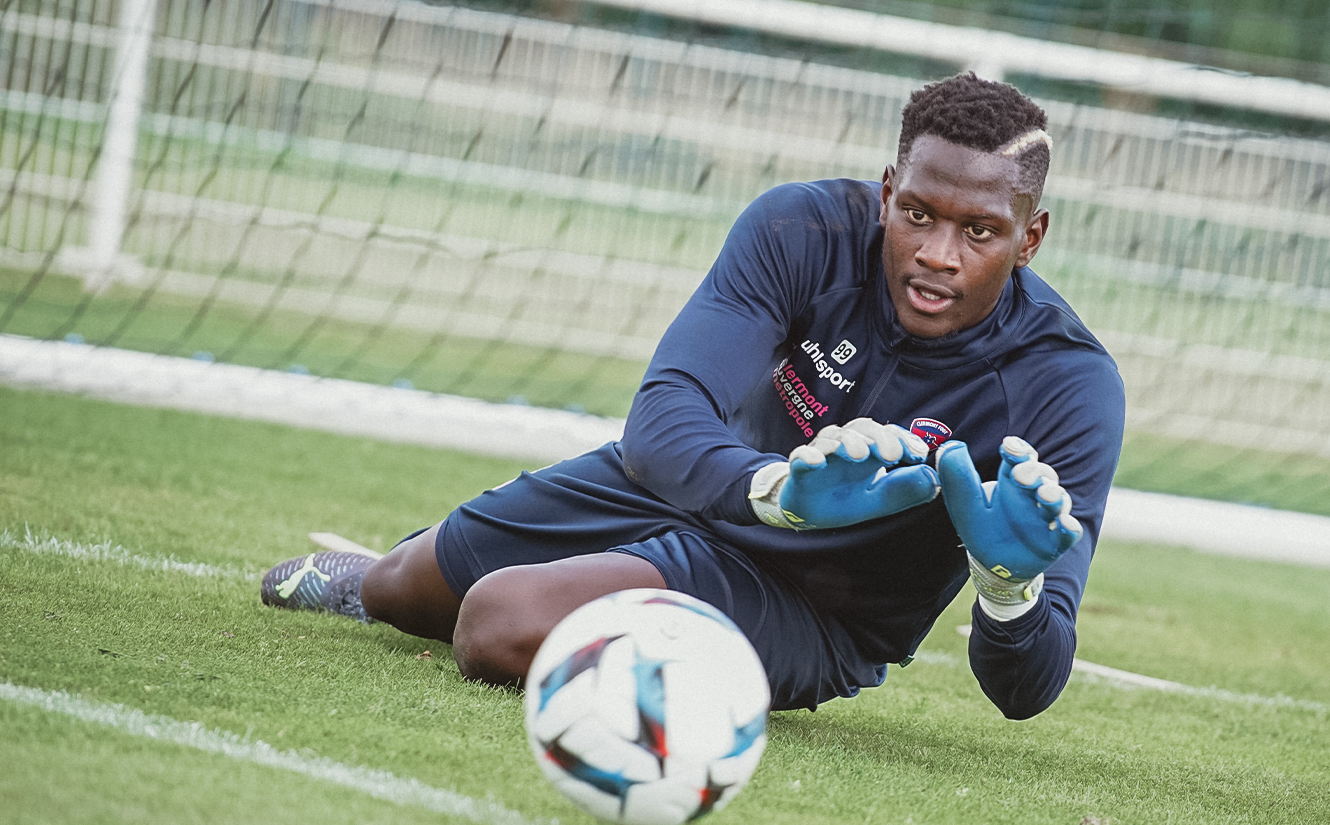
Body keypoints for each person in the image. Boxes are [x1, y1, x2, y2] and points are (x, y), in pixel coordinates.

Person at [261, 73, 1124, 720]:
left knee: (500, 625)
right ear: (887, 192)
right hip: (694, 490)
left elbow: (1028, 690)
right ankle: (371, 578)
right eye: (920, 215)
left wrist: (1010, 590)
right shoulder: (802, 231)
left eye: (981, 232)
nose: (941, 253)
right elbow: (662, 422)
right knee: (409, 586)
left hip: (811, 607)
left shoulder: (1068, 385)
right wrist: (778, 493)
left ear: (1030, 239)